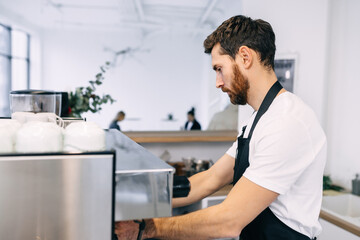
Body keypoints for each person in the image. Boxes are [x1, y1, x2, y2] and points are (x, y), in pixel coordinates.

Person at [115, 15, 326, 240]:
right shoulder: (259, 119)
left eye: (219, 68)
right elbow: (210, 178)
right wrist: (135, 195)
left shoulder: (287, 121)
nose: (218, 82)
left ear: (245, 57)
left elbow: (229, 221)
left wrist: (146, 228)